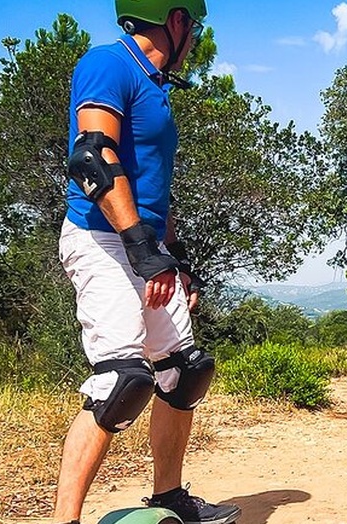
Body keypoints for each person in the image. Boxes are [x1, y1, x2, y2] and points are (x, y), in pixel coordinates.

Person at [53, 1, 240, 523]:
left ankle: (169, 496)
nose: (195, 37)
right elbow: (91, 156)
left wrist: (174, 258)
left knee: (184, 371)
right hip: (102, 240)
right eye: (194, 26)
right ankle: (64, 519)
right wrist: (141, 249)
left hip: (147, 245)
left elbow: (153, 189)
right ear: (177, 20)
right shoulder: (108, 63)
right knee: (122, 382)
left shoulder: (156, 87)